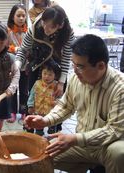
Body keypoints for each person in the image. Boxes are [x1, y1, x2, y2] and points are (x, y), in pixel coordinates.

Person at [24, 34, 124, 173]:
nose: (75, 71)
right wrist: (45, 120)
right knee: (43, 155)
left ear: (101, 66)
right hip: (81, 144)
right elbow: (66, 106)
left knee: (119, 153)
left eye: (80, 66)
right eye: (73, 65)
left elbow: (114, 130)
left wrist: (75, 139)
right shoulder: (76, 79)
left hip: (106, 146)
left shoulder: (120, 88)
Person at [15, 5, 75, 133]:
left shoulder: (68, 33)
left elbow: (66, 59)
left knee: (56, 102)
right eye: (44, 23)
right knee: (33, 98)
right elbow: (23, 50)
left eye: (51, 27)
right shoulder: (35, 28)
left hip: (56, 70)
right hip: (37, 65)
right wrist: (17, 65)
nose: (46, 29)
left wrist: (61, 82)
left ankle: (54, 131)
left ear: (60, 25)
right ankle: (30, 130)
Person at [27, 60, 61, 136]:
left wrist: (58, 103)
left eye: (50, 75)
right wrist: (30, 105)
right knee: (38, 127)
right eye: (44, 73)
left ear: (55, 76)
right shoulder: (37, 83)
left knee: (52, 128)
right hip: (38, 110)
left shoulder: (56, 86)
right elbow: (31, 95)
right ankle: (39, 137)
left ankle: (52, 138)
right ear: (41, 73)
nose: (46, 76)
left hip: (52, 112)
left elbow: (61, 98)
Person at [6, 4, 28, 123]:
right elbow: (4, 46)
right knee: (12, 90)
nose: (21, 18)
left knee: (24, 91)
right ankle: (12, 112)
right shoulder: (8, 31)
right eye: (18, 15)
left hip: (25, 67)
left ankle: (24, 112)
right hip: (12, 66)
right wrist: (14, 49)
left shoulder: (28, 31)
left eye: (23, 16)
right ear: (12, 17)